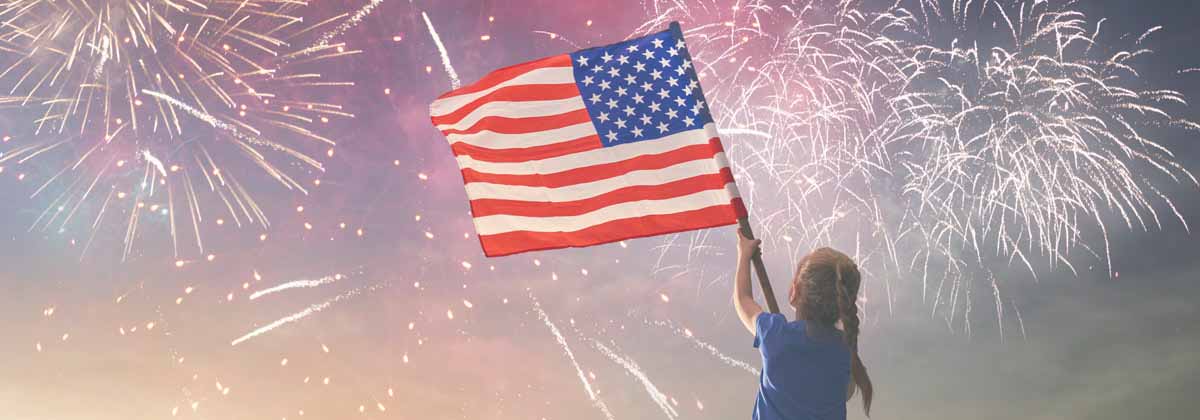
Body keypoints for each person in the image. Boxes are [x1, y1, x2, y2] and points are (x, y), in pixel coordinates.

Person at [734, 229, 874, 420]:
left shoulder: (776, 335)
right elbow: (847, 392)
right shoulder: (844, 349)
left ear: (795, 292)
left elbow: (743, 299)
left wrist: (744, 255)